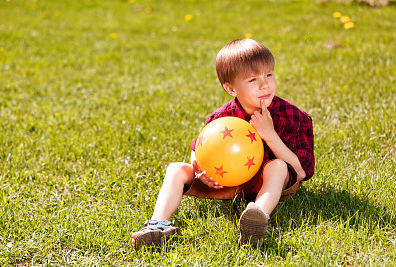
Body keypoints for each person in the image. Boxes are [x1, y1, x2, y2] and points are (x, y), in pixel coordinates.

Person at [131, 38, 315, 249]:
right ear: (231, 89)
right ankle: (157, 225)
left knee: (277, 166)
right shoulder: (222, 118)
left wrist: (270, 135)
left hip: (270, 183)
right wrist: (201, 171)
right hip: (228, 182)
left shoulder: (294, 116)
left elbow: (301, 173)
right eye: (252, 80)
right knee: (176, 169)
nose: (265, 84)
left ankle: (257, 217)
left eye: (269, 74)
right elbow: (198, 149)